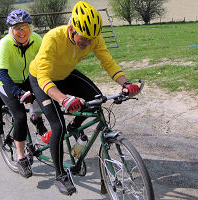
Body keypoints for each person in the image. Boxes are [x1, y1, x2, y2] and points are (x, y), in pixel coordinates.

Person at [29, 1, 140, 195]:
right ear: (72, 29)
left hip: (65, 74)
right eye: (84, 38)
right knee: (58, 126)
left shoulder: (94, 38)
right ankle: (60, 175)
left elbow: (108, 62)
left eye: (91, 39)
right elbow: (44, 77)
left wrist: (126, 83)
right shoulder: (53, 38)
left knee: (97, 99)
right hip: (41, 79)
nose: (88, 43)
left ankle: (74, 128)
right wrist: (64, 99)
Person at [0, 9, 47, 178]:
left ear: (30, 28)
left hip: (26, 77)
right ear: (11, 30)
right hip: (5, 81)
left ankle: (37, 119)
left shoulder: (36, 39)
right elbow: (2, 73)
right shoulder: (5, 43)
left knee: (44, 96)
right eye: (17, 28)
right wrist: (18, 92)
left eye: (25, 27)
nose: (22, 32)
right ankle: (21, 158)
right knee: (20, 116)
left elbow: (45, 62)